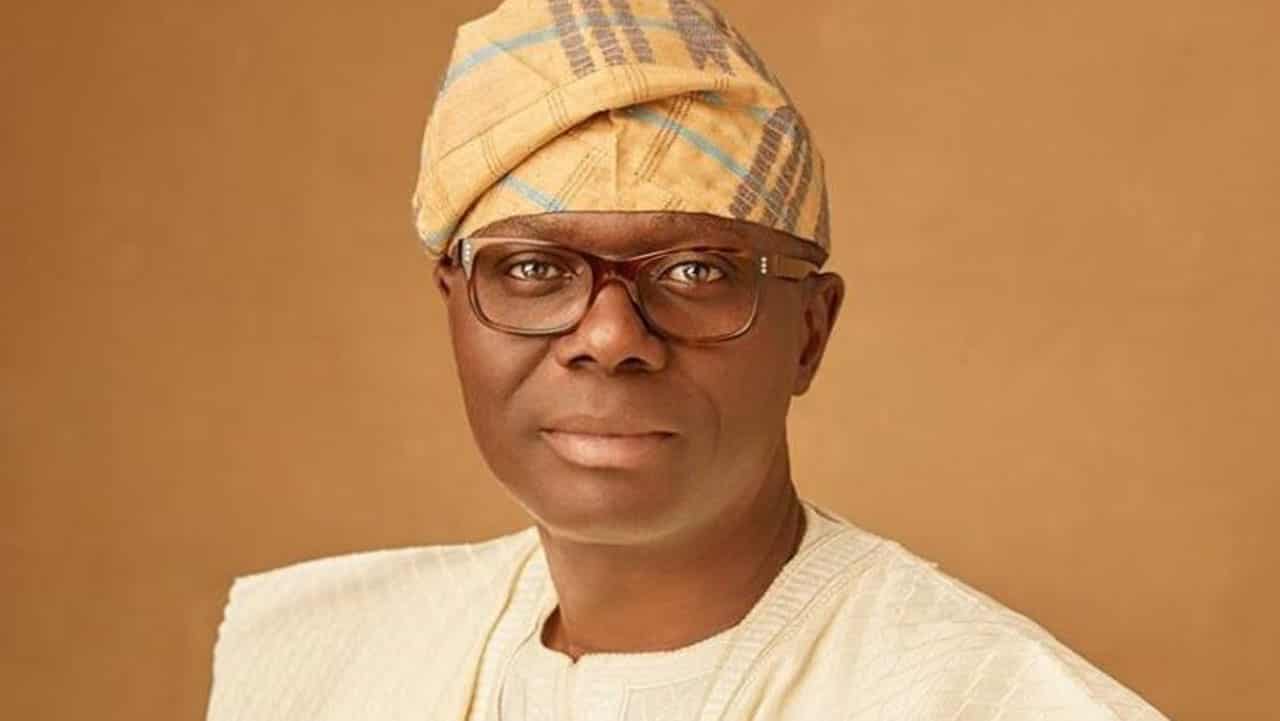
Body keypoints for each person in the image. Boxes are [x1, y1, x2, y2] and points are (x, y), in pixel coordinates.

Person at [205, 1, 1170, 719]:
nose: (610, 335)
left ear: (810, 331)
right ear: (456, 309)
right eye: (534, 268)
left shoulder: (985, 699)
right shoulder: (324, 662)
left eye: (696, 269)